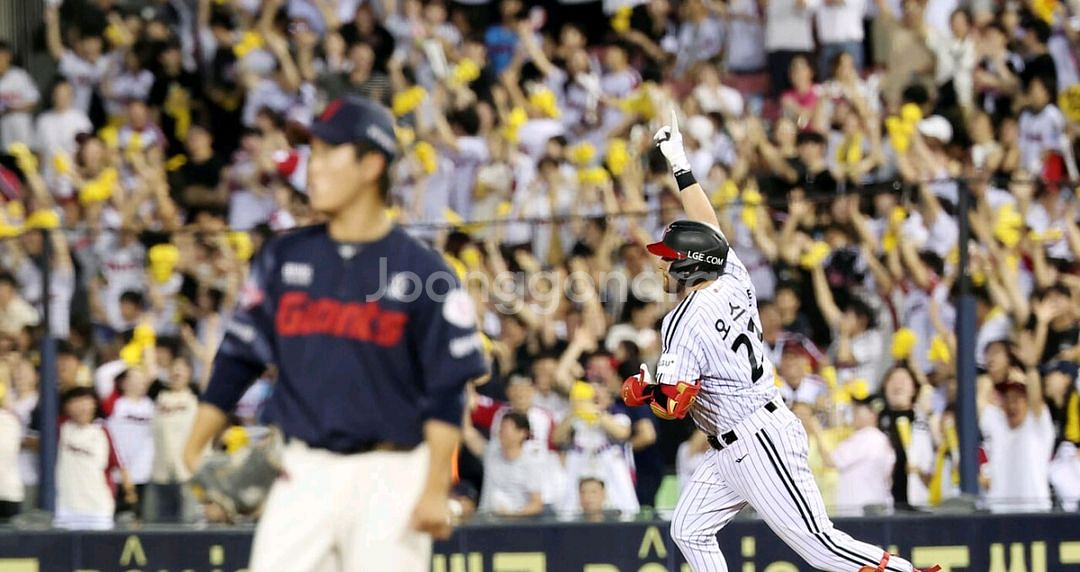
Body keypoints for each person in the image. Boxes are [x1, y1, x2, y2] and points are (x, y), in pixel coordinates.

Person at [622, 110, 940, 572]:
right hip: (738, 438)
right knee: (688, 527)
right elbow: (707, 224)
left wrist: (643, 391)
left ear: (689, 266)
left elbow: (672, 405)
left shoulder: (683, 321)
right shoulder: (731, 274)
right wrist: (679, 162)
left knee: (821, 546)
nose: (660, 266)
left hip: (756, 439)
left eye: (668, 259)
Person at [183, 96, 489, 572]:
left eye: (328, 153)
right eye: (313, 153)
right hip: (303, 470)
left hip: (392, 475)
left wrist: (433, 489)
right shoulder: (284, 257)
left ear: (371, 164)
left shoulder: (424, 271)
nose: (312, 167)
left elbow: (446, 388)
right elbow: (240, 355)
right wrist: (193, 446)